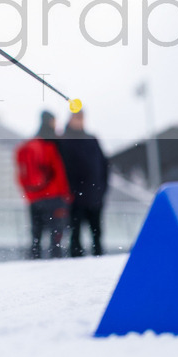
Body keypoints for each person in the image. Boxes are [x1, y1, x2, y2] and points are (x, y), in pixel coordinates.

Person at [14, 111, 71, 259]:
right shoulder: (51, 144)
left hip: (34, 198)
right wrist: (65, 194)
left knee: (36, 235)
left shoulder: (27, 146)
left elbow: (21, 174)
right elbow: (58, 172)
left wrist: (30, 194)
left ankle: (34, 260)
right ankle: (55, 262)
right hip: (54, 196)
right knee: (56, 235)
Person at [58, 109, 109, 257]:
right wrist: (69, 192)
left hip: (94, 197)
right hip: (74, 199)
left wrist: (101, 190)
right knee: (75, 235)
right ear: (70, 119)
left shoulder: (91, 139)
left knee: (97, 235)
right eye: (76, 118)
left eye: (81, 118)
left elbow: (104, 165)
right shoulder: (64, 140)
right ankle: (76, 263)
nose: (79, 121)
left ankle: (99, 259)